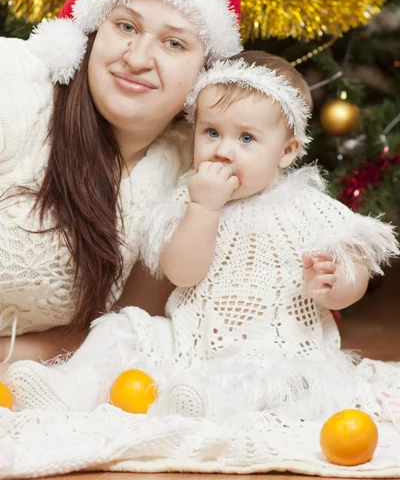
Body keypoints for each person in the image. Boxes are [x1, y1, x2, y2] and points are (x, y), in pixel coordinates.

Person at [6, 51, 399, 428]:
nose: (224, 151)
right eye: (212, 132)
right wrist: (204, 209)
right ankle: (73, 387)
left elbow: (356, 271)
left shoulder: (307, 206)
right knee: (122, 326)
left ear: (287, 151)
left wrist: (337, 284)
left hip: (277, 352)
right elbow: (183, 272)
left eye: (246, 139)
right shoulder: (190, 198)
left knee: (283, 383)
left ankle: (204, 401)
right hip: (187, 343)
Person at [0, 0, 242, 374]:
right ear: (93, 32)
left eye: (174, 43)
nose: (136, 58)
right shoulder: (16, 90)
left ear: (205, 75)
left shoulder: (186, 177)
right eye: (126, 26)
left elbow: (109, 333)